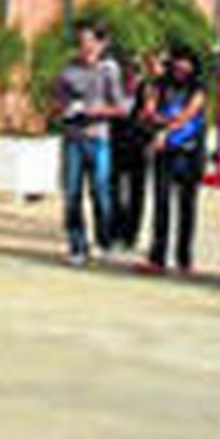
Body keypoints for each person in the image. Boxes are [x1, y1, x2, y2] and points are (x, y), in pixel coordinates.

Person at [52, 22, 124, 266]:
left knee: (100, 192)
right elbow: (56, 102)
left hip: (98, 138)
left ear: (101, 44)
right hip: (73, 138)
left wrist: (94, 110)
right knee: (72, 193)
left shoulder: (109, 71)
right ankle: (77, 245)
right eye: (82, 43)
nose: (86, 48)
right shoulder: (68, 70)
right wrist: (65, 110)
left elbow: (121, 107)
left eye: (90, 42)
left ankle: (105, 240)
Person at [139, 42, 207, 275]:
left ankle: (184, 258)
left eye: (185, 62)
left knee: (187, 207)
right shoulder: (160, 85)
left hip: (189, 152)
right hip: (164, 153)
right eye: (177, 62)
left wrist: (166, 128)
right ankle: (157, 256)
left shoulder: (198, 88)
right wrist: (160, 121)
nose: (180, 67)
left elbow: (189, 115)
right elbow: (149, 111)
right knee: (161, 204)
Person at [109, 50, 160, 252]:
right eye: (127, 71)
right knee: (114, 190)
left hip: (139, 146)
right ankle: (115, 231)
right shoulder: (115, 92)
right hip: (117, 144)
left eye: (134, 71)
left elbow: (150, 113)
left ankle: (131, 234)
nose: (130, 76)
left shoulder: (146, 90)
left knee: (136, 192)